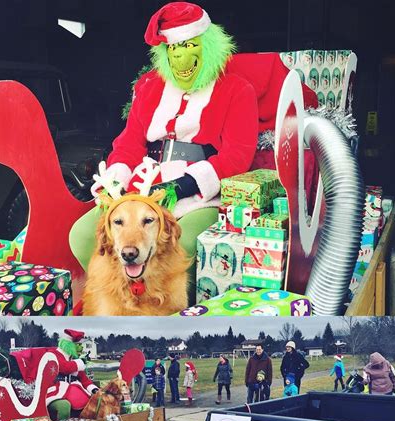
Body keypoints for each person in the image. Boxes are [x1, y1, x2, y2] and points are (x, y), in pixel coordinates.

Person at [69, 2, 260, 301]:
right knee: (81, 235)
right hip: (142, 189)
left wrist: (185, 184)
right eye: (173, 49)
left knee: (174, 249)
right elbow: (130, 142)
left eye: (187, 46)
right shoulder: (149, 87)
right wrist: (117, 179)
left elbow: (238, 156)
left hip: (201, 195)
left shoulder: (237, 89)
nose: (180, 57)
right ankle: (125, 302)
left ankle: (165, 314)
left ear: (207, 46)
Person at [46, 329, 99, 420]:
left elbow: (84, 379)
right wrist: (80, 362)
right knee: (64, 406)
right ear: (69, 344)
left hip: (73, 389)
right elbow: (63, 367)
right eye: (77, 345)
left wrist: (93, 389)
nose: (80, 348)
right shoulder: (52, 354)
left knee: (94, 401)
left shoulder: (73, 358)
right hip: (55, 391)